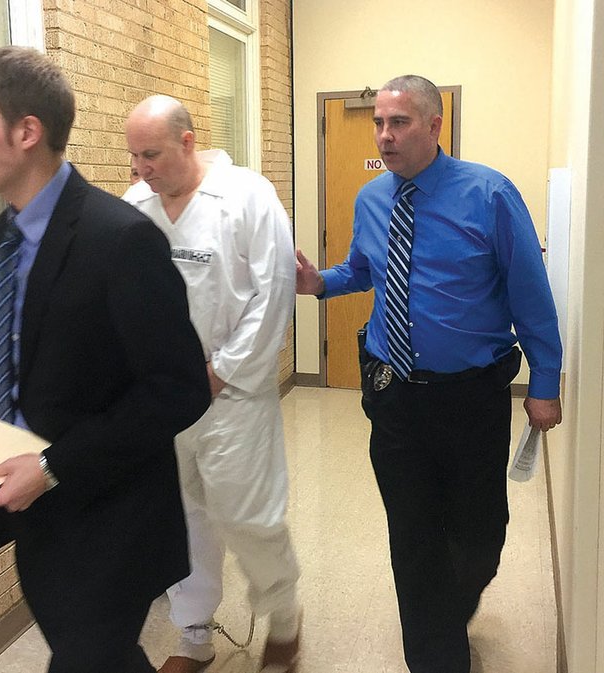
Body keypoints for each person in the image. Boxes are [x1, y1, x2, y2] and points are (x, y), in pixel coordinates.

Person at [0, 47, 211, 673]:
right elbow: (7, 349)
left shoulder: (120, 239)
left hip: (111, 515)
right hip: (38, 516)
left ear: (27, 132)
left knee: (86, 659)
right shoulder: (8, 231)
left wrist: (51, 467)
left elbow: (179, 389)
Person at [296, 75, 562, 673]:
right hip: (394, 398)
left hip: (472, 397)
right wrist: (319, 283)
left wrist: (545, 381)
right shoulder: (370, 199)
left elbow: (531, 295)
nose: (385, 136)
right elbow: (364, 270)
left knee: (480, 539)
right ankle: (437, 655)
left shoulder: (490, 195)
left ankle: (454, 601)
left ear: (434, 125)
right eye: (379, 124)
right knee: (413, 539)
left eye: (399, 123)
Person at [124, 95, 302, 673]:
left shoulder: (247, 197)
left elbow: (273, 291)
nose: (140, 168)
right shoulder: (137, 206)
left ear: (187, 140)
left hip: (233, 392)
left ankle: (284, 615)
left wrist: (221, 371)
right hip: (162, 396)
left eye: (150, 154)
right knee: (183, 515)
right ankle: (193, 634)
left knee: (247, 513)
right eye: (134, 156)